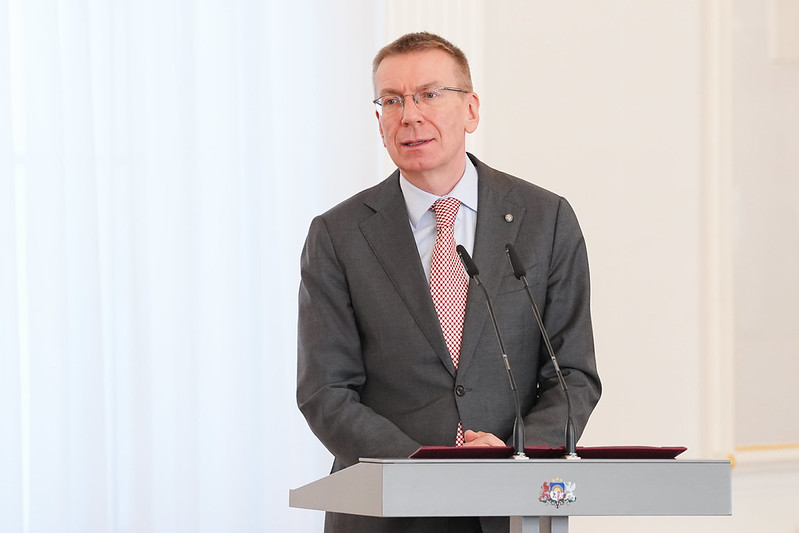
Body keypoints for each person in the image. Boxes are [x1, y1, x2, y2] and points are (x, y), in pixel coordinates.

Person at [296, 32, 601, 533]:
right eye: (392, 100)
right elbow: (325, 390)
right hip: (386, 509)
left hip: (511, 505)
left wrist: (514, 453)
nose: (410, 115)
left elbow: (573, 374)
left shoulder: (545, 219)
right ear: (379, 121)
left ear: (471, 110)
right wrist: (420, 466)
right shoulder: (338, 234)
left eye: (429, 94)